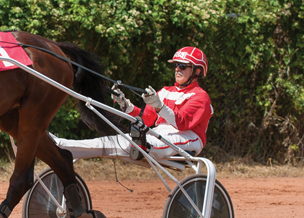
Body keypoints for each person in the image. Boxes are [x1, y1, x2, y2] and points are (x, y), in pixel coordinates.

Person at [52, 46, 213, 161]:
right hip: (159, 133)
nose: (177, 69)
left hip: (189, 138)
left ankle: (143, 147)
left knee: (143, 142)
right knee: (117, 141)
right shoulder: (165, 91)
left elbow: (182, 123)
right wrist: (126, 105)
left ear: (197, 71)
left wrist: (160, 107)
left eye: (183, 66)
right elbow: (147, 119)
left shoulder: (200, 96)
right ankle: (63, 146)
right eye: (176, 65)